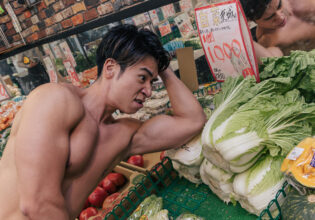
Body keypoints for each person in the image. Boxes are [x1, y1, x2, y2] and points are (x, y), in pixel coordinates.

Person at [0, 25, 206, 219]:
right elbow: (37, 204)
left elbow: (192, 120)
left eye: (152, 82)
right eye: (142, 78)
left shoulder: (123, 134)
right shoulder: (55, 100)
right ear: (110, 68)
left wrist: (161, 66)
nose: (149, 91)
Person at [240, 0, 315, 55]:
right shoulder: (267, 38)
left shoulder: (298, 2)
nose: (281, 17)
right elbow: (272, 59)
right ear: (250, 21)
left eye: (279, 6)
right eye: (270, 18)